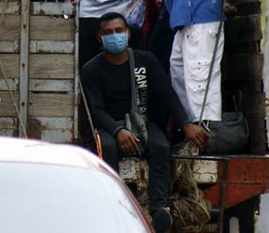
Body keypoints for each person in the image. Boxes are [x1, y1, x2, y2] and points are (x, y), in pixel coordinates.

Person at [80, 12, 208, 233]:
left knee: (160, 147)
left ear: (128, 33)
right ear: (100, 38)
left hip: (140, 122)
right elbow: (96, 111)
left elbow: (167, 94)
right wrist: (117, 130)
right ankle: (112, 205)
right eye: (108, 33)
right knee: (107, 148)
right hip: (109, 125)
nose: (115, 36)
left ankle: (160, 208)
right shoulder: (91, 69)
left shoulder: (145, 61)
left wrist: (186, 124)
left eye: (119, 31)